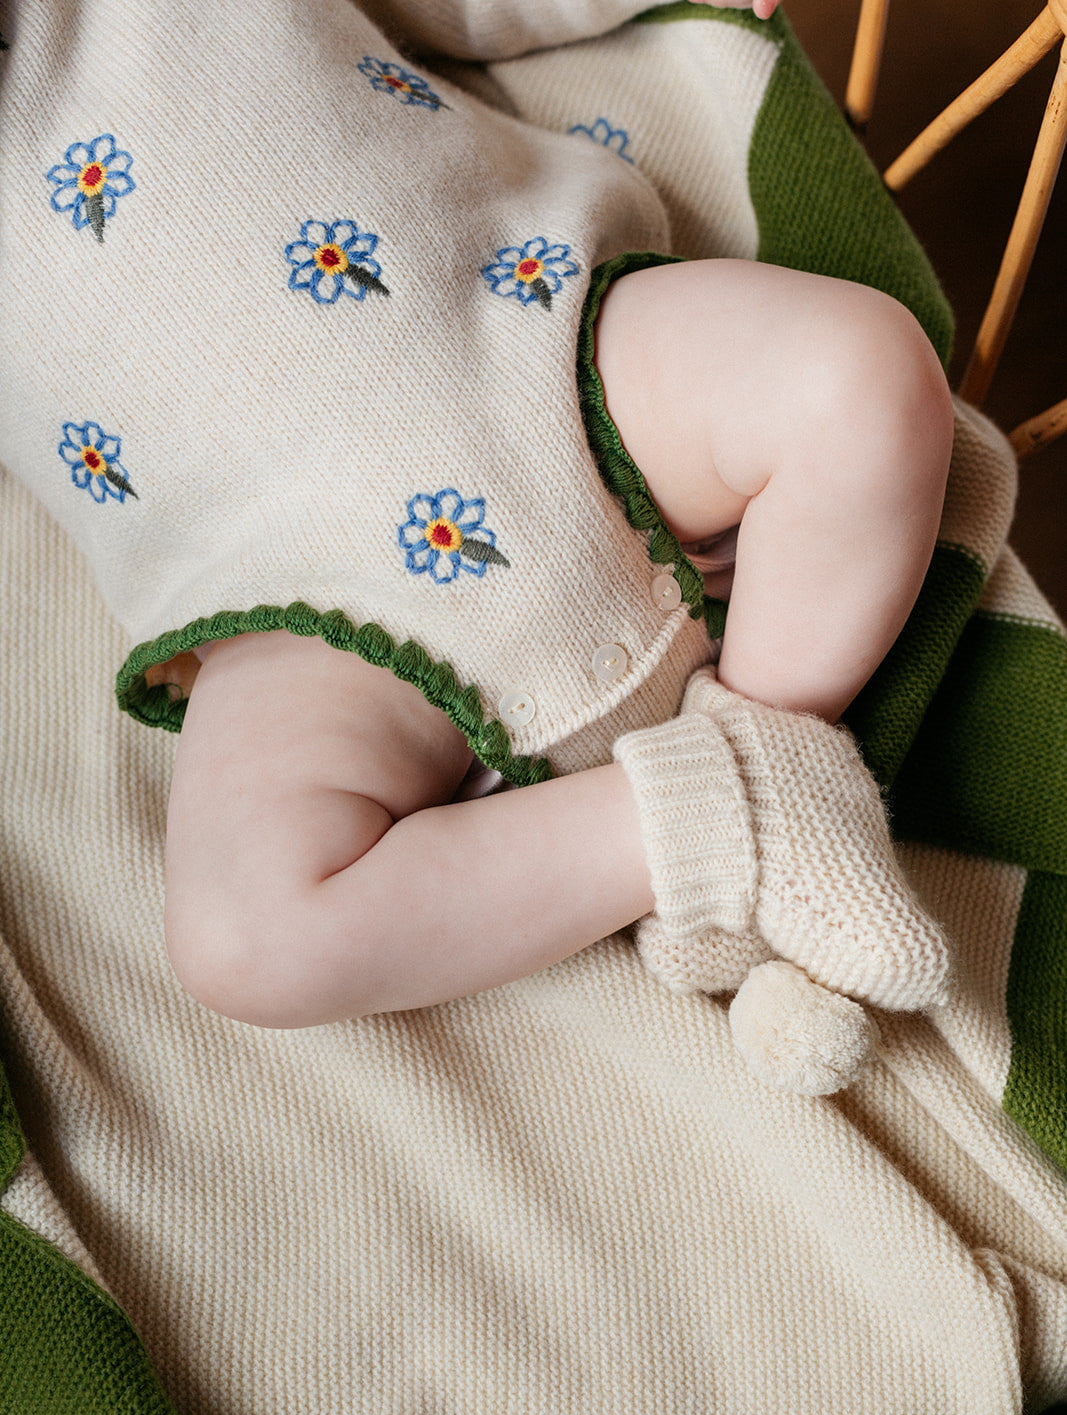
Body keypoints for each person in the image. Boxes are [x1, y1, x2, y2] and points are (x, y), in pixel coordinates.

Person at [0, 0, 954, 1032]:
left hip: (537, 342)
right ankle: (723, 807)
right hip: (297, 599)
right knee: (248, 938)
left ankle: (769, 716)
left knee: (858, 375)